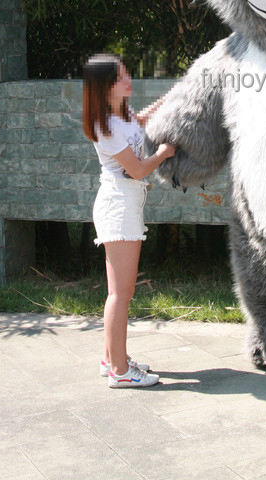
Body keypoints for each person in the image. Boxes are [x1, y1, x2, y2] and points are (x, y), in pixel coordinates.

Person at [82, 53, 175, 388]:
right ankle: (120, 373)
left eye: (127, 73)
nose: (128, 80)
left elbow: (142, 121)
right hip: (118, 206)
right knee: (120, 294)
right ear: (105, 85)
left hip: (127, 204)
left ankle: (112, 359)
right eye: (121, 76)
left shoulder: (122, 115)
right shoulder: (104, 126)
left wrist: (174, 95)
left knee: (121, 291)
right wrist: (163, 153)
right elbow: (136, 169)